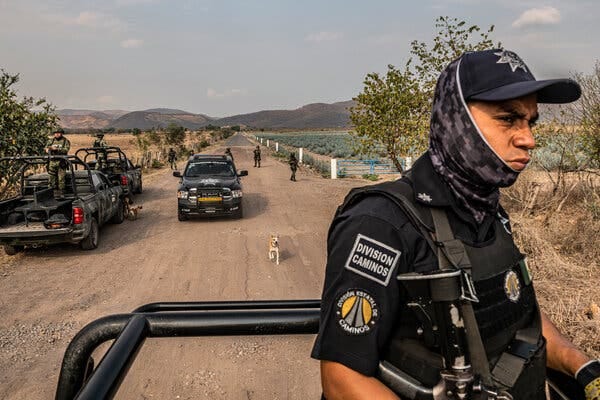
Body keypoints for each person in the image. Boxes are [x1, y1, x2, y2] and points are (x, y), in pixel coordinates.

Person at [311, 49, 600, 400]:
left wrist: (581, 366)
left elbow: (519, 319)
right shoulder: (380, 224)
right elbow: (342, 381)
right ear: (457, 120)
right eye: (509, 119)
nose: (528, 138)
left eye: (530, 121)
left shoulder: (487, 211)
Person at [45, 128, 71, 199]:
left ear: (61, 133)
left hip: (61, 161)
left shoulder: (65, 141)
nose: (57, 134)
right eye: (55, 133)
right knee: (51, 178)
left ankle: (61, 193)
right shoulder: (51, 141)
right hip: (52, 162)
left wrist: (57, 149)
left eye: (58, 133)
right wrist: (47, 149)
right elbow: (46, 148)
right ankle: (50, 192)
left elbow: (66, 149)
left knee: (61, 178)